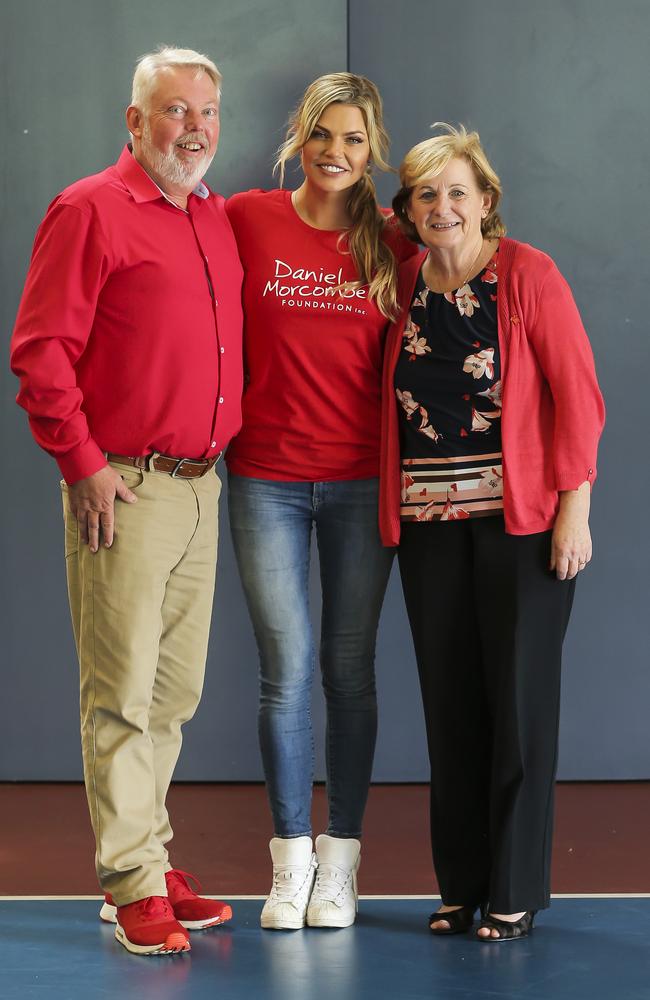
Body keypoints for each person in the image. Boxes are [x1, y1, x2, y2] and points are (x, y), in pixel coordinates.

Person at [10, 46, 243, 956]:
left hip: (201, 487)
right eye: (176, 110)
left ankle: (143, 857)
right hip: (125, 488)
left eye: (209, 111)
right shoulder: (89, 210)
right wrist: (84, 466)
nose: (195, 127)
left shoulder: (213, 218)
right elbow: (39, 354)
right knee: (119, 694)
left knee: (172, 695)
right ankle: (132, 881)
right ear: (135, 121)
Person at [380, 123, 605, 941]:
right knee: (451, 708)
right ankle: (460, 885)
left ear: (486, 202)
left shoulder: (527, 275)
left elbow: (580, 398)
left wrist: (573, 512)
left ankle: (512, 891)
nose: (443, 207)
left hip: (524, 525)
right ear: (407, 209)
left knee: (517, 704)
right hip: (428, 526)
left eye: (458, 192)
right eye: (426, 194)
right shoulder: (401, 281)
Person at [225, 73, 415, 930]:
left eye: (352, 140)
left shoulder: (393, 241)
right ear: (298, 136)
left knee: (348, 671)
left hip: (359, 483)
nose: (335, 154)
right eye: (322, 135)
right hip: (263, 476)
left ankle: (341, 863)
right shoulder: (246, 219)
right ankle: (290, 863)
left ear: (372, 149)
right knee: (285, 674)